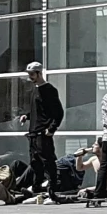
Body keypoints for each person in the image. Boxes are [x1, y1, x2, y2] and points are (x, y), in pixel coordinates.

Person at [20, 62, 65, 203]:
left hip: (43, 133)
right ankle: (36, 189)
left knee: (48, 162)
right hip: (33, 132)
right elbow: (38, 109)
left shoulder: (49, 90)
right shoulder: (35, 89)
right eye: (29, 74)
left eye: (32, 74)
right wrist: (27, 116)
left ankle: (52, 192)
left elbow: (58, 112)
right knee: (35, 163)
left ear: (39, 73)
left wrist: (51, 129)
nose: (30, 77)